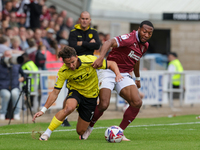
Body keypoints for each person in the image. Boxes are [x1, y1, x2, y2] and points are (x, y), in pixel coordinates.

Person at [81, 20, 154, 141]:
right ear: (139, 29)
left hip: (124, 75)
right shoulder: (129, 38)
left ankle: (119, 132)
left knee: (137, 102)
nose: (146, 35)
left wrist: (138, 78)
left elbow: (136, 59)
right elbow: (108, 42)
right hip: (109, 70)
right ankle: (89, 127)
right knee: (104, 104)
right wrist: (100, 58)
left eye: (149, 33)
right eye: (144, 31)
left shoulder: (145, 45)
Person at [32, 46, 123, 141]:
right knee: (69, 108)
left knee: (80, 131)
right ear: (63, 62)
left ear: (76, 57)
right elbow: (55, 92)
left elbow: (112, 63)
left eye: (72, 62)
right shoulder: (63, 71)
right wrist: (43, 110)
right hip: (76, 92)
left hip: (91, 96)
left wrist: (118, 74)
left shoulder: (89, 60)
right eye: (67, 64)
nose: (71, 66)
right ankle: (47, 133)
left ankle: (82, 112)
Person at [0, 50, 27, 120]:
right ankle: (2, 113)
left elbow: (24, 74)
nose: (8, 57)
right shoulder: (1, 65)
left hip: (14, 86)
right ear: (3, 56)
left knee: (14, 93)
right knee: (6, 95)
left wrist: (23, 78)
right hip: (3, 87)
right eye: (6, 55)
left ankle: (16, 113)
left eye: (9, 55)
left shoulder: (16, 64)